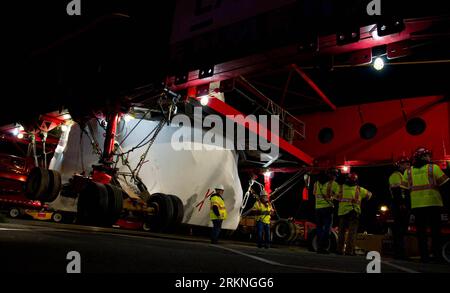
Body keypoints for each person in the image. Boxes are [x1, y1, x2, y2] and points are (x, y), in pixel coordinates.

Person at [402, 147, 449, 262]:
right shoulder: (434, 168)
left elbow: (404, 191)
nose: (429, 157)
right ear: (423, 157)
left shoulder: (408, 171)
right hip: (434, 204)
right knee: (436, 232)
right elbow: (445, 185)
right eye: (427, 155)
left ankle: (424, 256)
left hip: (417, 206)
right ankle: (437, 256)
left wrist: (408, 207)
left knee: (421, 233)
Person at [336, 172, 372, 256]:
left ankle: (339, 250)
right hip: (354, 212)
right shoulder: (359, 189)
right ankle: (349, 251)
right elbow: (369, 195)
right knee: (352, 233)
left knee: (341, 232)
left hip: (342, 212)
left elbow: (334, 195)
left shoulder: (340, 188)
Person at [389, 156, 411, 259]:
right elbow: (396, 191)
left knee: (403, 230)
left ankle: (402, 253)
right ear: (400, 165)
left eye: (408, 164)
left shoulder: (405, 175)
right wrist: (401, 204)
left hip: (404, 204)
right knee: (399, 230)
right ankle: (399, 253)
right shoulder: (395, 175)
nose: (408, 166)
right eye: (406, 164)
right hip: (398, 205)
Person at [313, 169, 339, 254]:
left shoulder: (316, 183)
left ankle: (319, 247)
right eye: (335, 175)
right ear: (331, 175)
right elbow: (339, 196)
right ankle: (322, 247)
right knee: (327, 229)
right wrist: (333, 198)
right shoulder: (333, 184)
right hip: (327, 208)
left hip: (317, 208)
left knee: (319, 228)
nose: (335, 177)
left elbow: (314, 193)